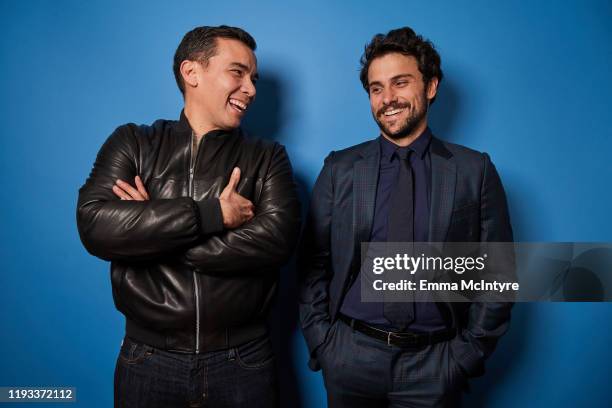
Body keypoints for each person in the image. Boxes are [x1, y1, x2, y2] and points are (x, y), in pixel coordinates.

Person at [77, 25, 301, 408]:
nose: (251, 88)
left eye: (254, 77)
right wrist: (213, 213)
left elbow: (275, 241)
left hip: (242, 361)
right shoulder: (133, 142)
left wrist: (150, 234)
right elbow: (95, 225)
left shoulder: (268, 157)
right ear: (191, 72)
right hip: (148, 360)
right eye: (238, 72)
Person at [299, 26, 513, 407]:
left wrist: (464, 357)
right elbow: (313, 264)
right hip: (351, 358)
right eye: (376, 88)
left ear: (430, 86)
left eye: (400, 83)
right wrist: (325, 343)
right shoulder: (340, 168)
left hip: (435, 364)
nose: (387, 98)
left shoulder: (473, 170)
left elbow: (499, 274)